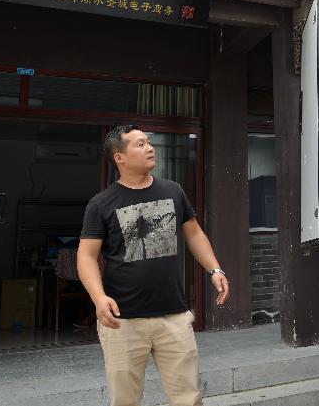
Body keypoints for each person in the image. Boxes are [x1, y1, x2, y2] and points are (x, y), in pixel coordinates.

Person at [77, 125, 230, 406]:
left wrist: (215, 269)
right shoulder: (101, 204)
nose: (150, 148)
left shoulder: (172, 191)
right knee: (125, 400)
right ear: (119, 157)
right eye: (139, 144)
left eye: (149, 142)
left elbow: (194, 233)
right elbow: (86, 256)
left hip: (173, 316)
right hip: (123, 320)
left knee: (188, 398)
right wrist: (99, 298)